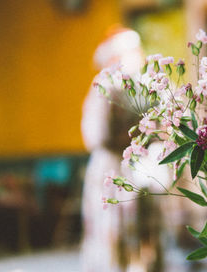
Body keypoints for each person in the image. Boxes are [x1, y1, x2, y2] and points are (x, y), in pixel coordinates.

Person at [80, 26, 156, 272]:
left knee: (141, 229)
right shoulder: (107, 84)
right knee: (114, 227)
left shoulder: (143, 83)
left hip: (140, 165)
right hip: (113, 166)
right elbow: (98, 134)